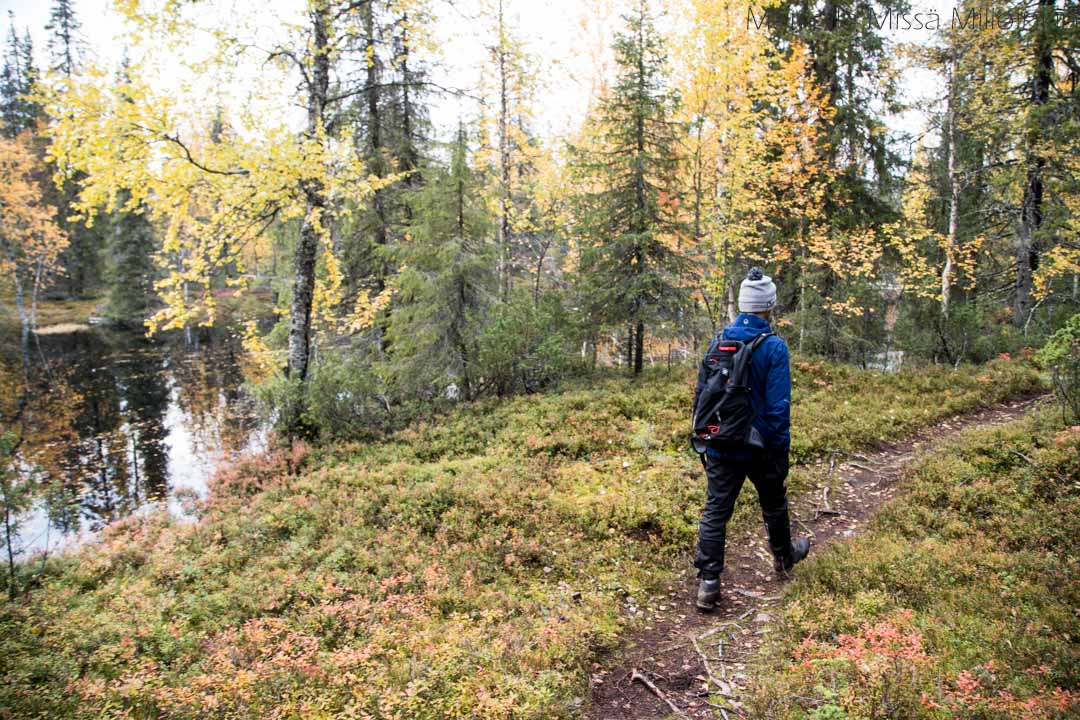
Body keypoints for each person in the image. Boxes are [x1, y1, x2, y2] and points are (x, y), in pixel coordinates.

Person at [693, 267, 811, 611]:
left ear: (743, 304)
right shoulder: (774, 347)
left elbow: (702, 395)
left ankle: (709, 584)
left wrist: (706, 437)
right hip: (761, 446)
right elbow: (778, 408)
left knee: (716, 510)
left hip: (720, 442)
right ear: (768, 305)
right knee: (773, 501)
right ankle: (784, 559)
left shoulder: (719, 341)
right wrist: (780, 449)